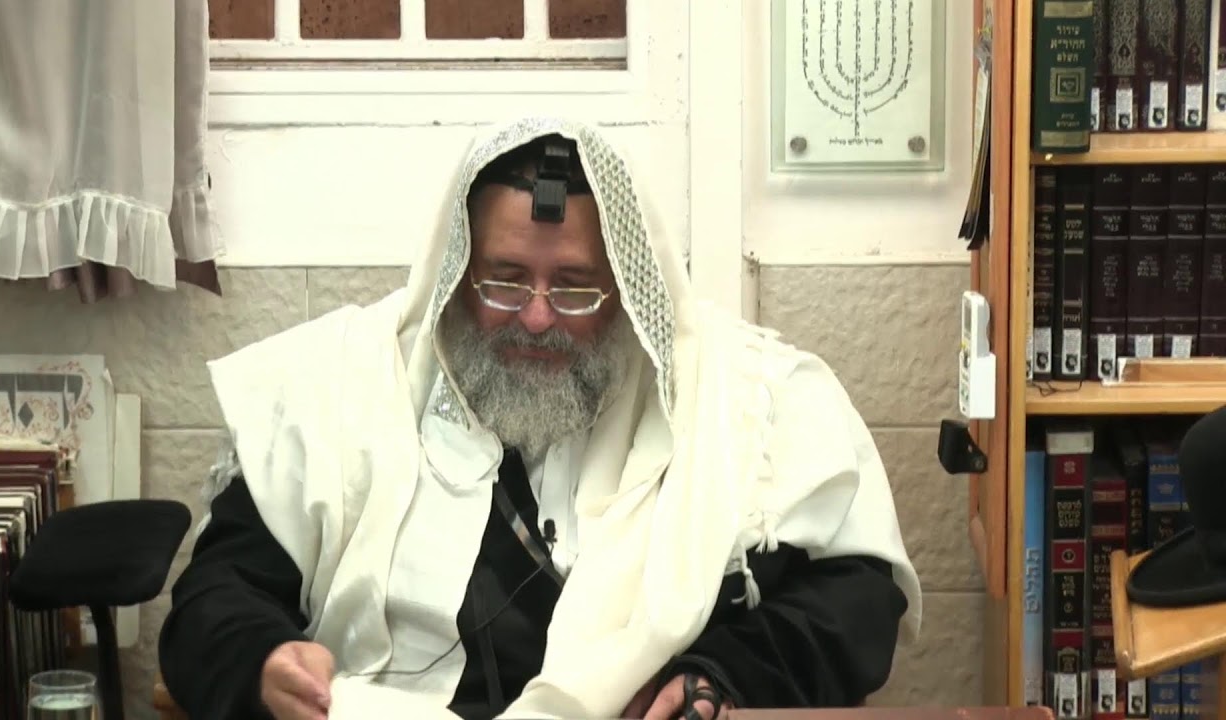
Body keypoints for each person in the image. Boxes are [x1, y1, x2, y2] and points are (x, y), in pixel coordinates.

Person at [157, 116, 923, 720]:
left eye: (577, 288)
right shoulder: (343, 384)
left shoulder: (746, 399)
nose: (535, 317)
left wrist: (722, 673)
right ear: (458, 275)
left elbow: (856, 602)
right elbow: (214, 599)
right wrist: (263, 662)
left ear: (629, 291)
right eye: (504, 280)